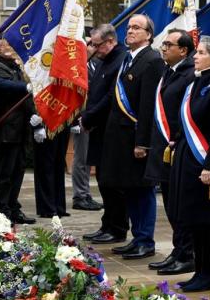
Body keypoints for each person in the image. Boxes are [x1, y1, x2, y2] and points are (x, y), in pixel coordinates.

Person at [166, 36, 210, 292]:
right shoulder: (198, 82)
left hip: (205, 164)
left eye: (201, 53)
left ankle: (208, 273)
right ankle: (200, 270)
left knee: (207, 221)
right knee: (193, 217)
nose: (195, 56)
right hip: (188, 158)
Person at [99, 14, 164, 260]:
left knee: (142, 189)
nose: (130, 31)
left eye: (137, 28)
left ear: (148, 34)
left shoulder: (152, 60)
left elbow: (148, 106)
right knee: (130, 189)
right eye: (128, 27)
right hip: (120, 138)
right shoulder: (129, 59)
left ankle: (145, 240)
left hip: (136, 138)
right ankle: (137, 237)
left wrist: (143, 142)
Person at [145, 29, 196, 276]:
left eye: (168, 44)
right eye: (163, 44)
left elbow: (185, 113)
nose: (163, 48)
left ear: (183, 50)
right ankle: (178, 251)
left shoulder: (189, 75)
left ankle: (187, 253)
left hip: (177, 147)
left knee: (181, 206)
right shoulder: (169, 71)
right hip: (162, 149)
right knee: (170, 205)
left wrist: (176, 138)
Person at [80, 24, 128, 244]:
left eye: (97, 44)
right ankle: (107, 223)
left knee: (112, 182)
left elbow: (110, 96)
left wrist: (89, 118)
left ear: (110, 41)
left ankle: (117, 227)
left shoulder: (121, 60)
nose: (94, 48)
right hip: (100, 129)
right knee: (103, 180)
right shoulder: (102, 60)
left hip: (111, 129)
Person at [0, 39, 36, 225]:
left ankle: (13, 206)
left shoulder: (15, 68)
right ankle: (2, 208)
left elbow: (26, 98)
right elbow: (7, 87)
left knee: (18, 170)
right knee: (5, 171)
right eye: (9, 45)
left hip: (21, 127)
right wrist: (26, 86)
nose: (13, 48)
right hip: (7, 127)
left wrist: (34, 116)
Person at [70, 37, 103, 211]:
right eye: (90, 45)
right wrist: (75, 119)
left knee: (88, 159)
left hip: (91, 118)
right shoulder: (77, 68)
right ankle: (79, 196)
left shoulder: (94, 65)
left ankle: (86, 193)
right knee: (81, 159)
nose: (94, 48)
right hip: (80, 120)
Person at [31, 117, 70, 218]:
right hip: (45, 119)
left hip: (62, 119)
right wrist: (37, 126)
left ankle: (58, 206)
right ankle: (47, 207)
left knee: (59, 164)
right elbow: (33, 101)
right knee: (45, 165)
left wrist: (73, 121)